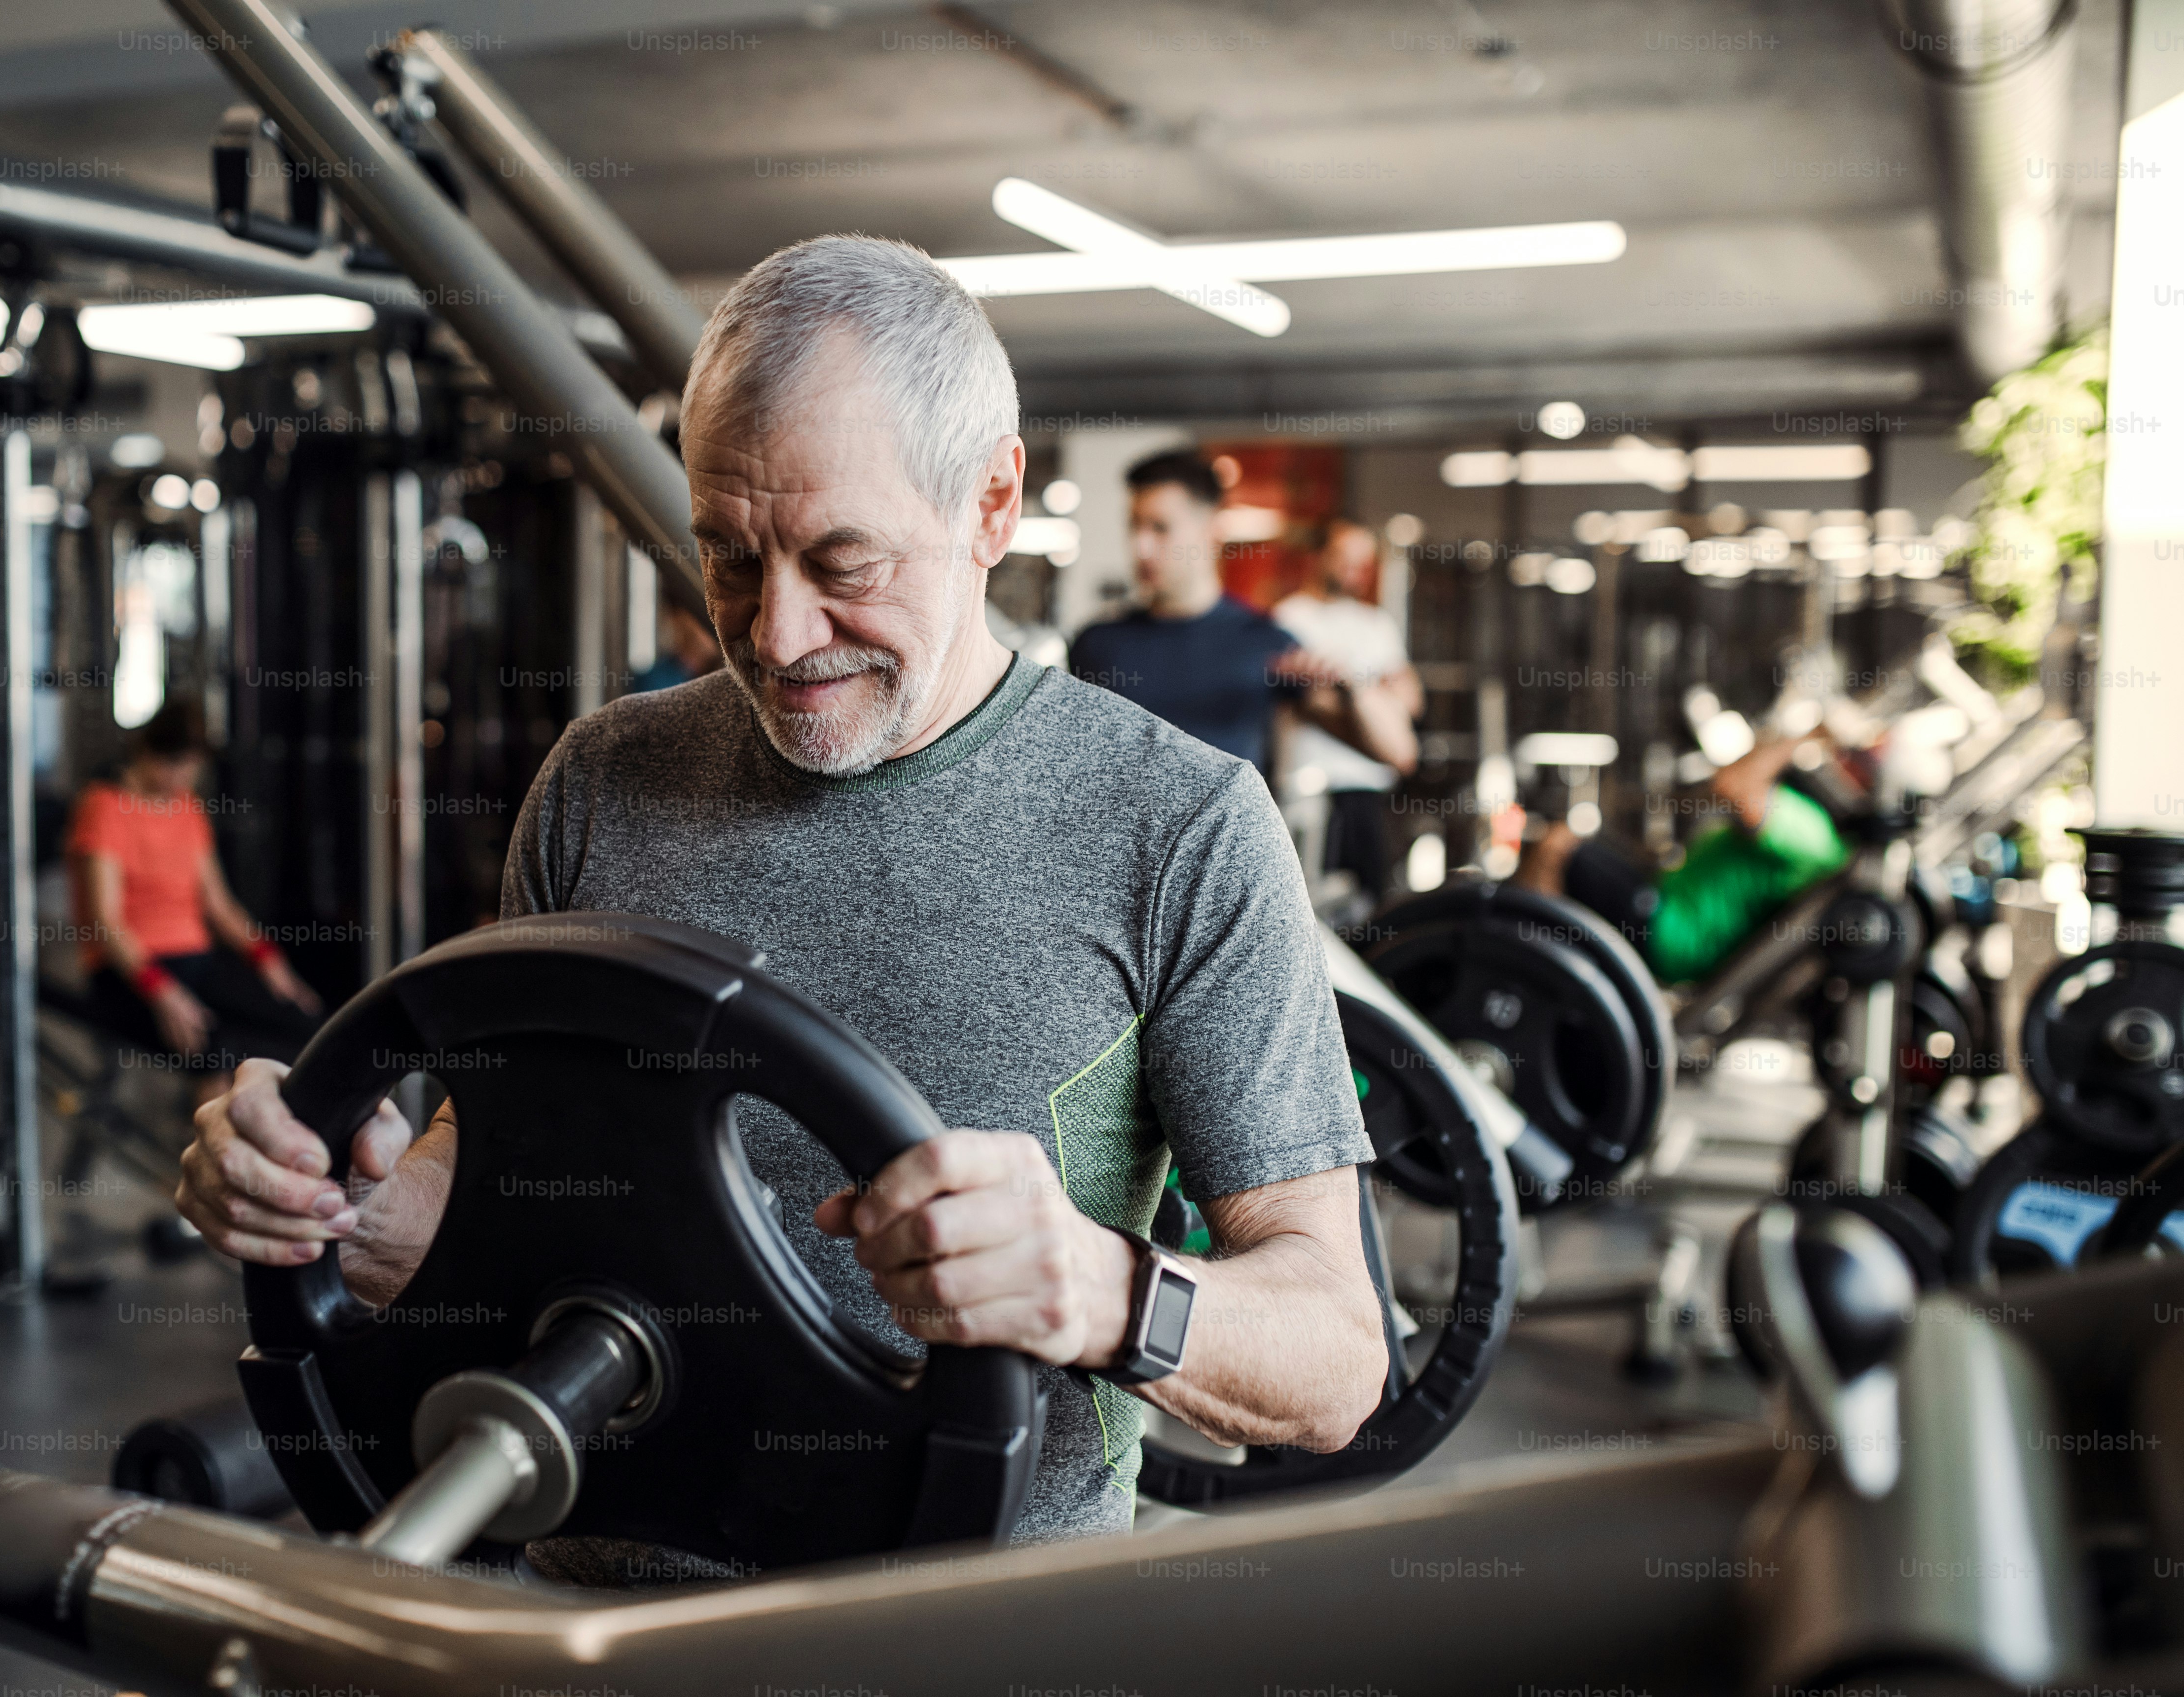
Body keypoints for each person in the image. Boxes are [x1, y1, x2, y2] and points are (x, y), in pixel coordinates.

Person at [173, 236, 1387, 1572]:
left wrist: (1099, 1292)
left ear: (990, 505)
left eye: (843, 563)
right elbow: (479, 1159)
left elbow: (1333, 1357)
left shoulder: (1178, 826)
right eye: (729, 559)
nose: (774, 634)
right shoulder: (601, 779)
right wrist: (329, 1205)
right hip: (596, 1627)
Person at [66, 698, 324, 1081]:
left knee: (306, 1027)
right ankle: (215, 1135)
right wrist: (163, 992)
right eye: (179, 767)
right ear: (150, 755)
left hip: (197, 961)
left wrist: (270, 962)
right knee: (220, 1049)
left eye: (193, 768)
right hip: (131, 972)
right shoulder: (104, 808)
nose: (186, 779)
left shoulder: (188, 808)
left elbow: (219, 906)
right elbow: (107, 921)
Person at [1515, 730, 1849, 984]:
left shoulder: (1814, 836)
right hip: (1667, 912)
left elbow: (1732, 785)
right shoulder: (1824, 840)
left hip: (1668, 932)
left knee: (1557, 844)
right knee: (1574, 848)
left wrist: (1807, 736)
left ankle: (1522, 965)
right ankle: (1534, 961)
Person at [1064, 451, 1302, 781]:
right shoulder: (1098, 644)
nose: (1141, 547)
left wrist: (1354, 689)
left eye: (1160, 528)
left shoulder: (1265, 642)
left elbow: (1394, 752)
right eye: (1135, 526)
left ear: (1212, 530)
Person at [1270, 518, 1423, 902]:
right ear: (1319, 557)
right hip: (1311, 792)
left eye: (1362, 561)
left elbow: (1411, 700)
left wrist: (1348, 688)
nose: (1354, 570)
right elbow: (1306, 701)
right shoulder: (1290, 619)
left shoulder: (1376, 624)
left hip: (1368, 791)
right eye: (1343, 558)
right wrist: (1373, 699)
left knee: (1371, 907)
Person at [630, 588, 721, 692]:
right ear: (677, 617)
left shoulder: (732, 674)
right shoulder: (655, 682)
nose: (715, 623)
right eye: (705, 612)